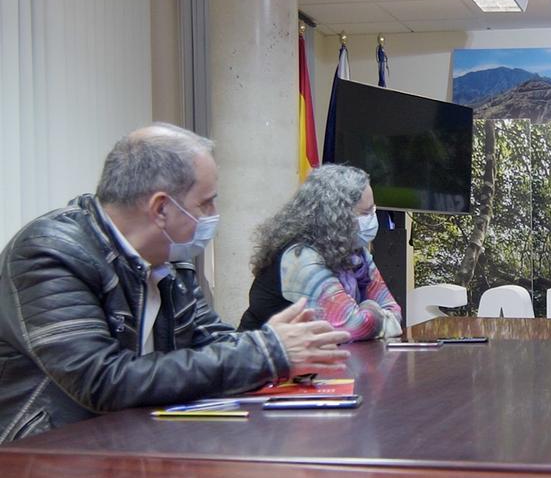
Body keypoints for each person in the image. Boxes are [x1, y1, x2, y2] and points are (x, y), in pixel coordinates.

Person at [0, 123, 350, 442]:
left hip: (141, 443)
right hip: (48, 459)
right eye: (206, 202)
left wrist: (276, 345)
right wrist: (266, 352)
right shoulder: (49, 253)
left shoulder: (170, 261)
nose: (214, 216)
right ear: (161, 209)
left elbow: (210, 341)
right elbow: (102, 381)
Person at [239, 164, 403, 342]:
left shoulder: (355, 253)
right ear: (336, 216)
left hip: (317, 360)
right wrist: (373, 309)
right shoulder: (300, 257)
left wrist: (369, 314)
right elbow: (353, 326)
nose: (373, 218)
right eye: (365, 212)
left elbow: (393, 309)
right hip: (268, 364)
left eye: (373, 210)